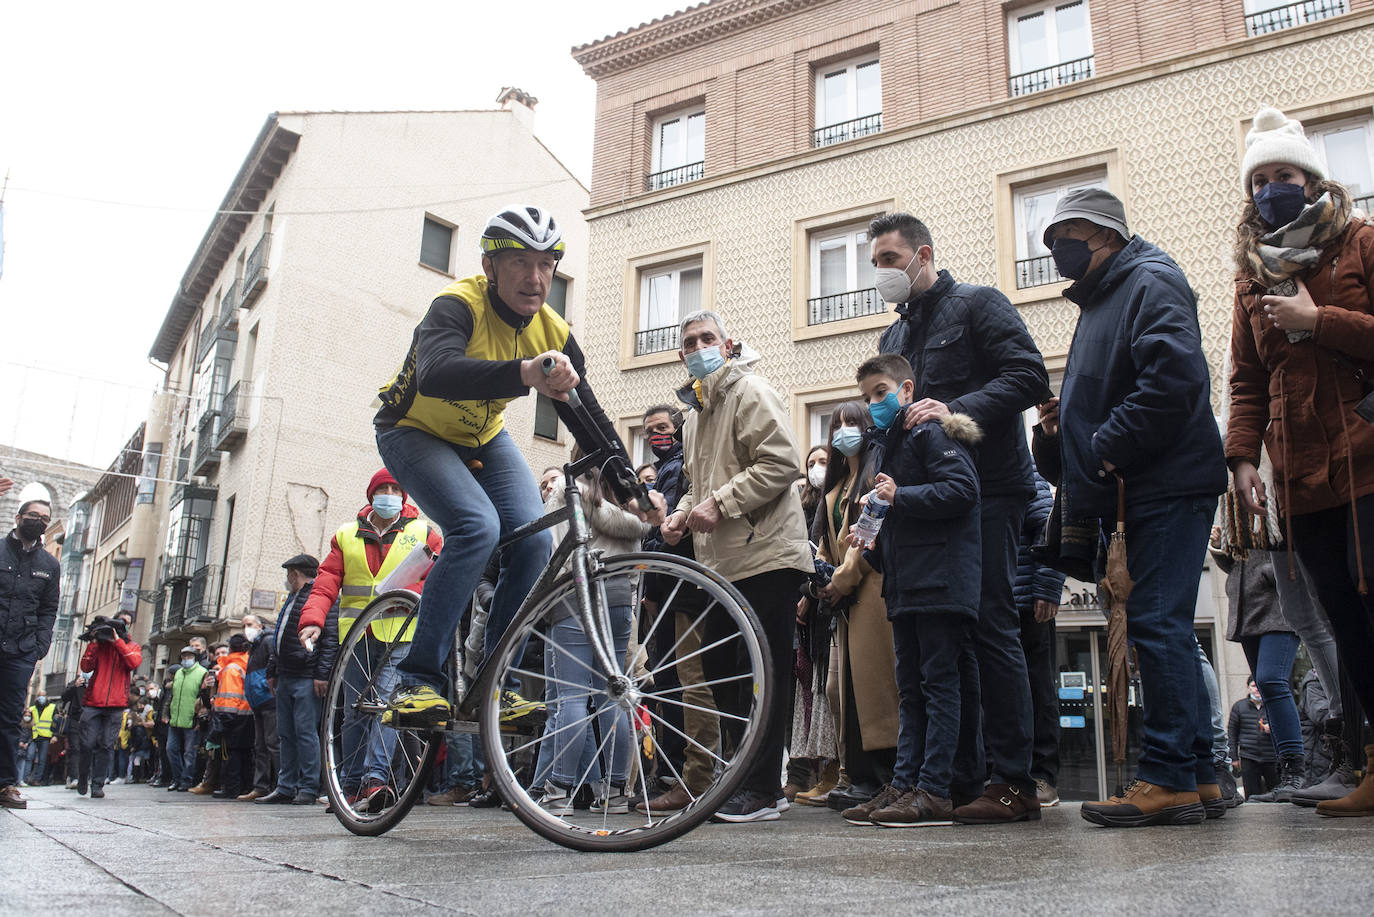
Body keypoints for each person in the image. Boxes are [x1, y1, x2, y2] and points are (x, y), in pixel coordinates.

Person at [365, 205, 663, 729]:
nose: (535, 277)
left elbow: (587, 417)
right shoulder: (456, 305)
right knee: (477, 527)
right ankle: (418, 682)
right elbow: (437, 374)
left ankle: (492, 685)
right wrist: (525, 372)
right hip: (412, 429)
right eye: (520, 262)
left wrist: (632, 490)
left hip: (482, 437)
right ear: (490, 267)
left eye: (547, 264)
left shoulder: (553, 331)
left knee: (532, 542)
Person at [1033, 188, 1228, 827]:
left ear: (1108, 235)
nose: (1057, 251)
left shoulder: (1150, 279)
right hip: (1142, 485)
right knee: (1159, 624)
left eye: (1069, 238)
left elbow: (1173, 380)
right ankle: (1198, 776)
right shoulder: (1108, 295)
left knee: (1157, 625)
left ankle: (1168, 775)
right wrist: (1067, 429)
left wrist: (1105, 443)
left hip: (1163, 484)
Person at [871, 212, 1053, 824]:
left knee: (993, 629)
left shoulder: (979, 304)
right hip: (922, 511)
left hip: (992, 491)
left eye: (890, 260)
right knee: (942, 647)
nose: (882, 274)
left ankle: (1014, 782)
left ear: (923, 254)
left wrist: (955, 409)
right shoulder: (892, 342)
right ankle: (948, 779)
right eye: (875, 265)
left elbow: (1029, 375)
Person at [1226, 106, 1374, 818]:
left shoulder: (1358, 242)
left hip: (1369, 462)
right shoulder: (1251, 278)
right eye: (1258, 180)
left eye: (1282, 175)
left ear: (1311, 179)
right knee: (1344, 620)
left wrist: (1322, 323)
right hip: (1299, 476)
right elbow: (1246, 378)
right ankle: (1370, 762)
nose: (1269, 189)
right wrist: (1242, 459)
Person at [660, 309, 812, 822]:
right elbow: (696, 486)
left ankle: (765, 788)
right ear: (681, 355)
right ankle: (741, 774)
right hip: (721, 563)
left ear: (727, 346)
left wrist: (720, 505)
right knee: (725, 669)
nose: (699, 347)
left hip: (766, 554)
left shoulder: (751, 391)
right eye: (689, 342)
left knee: (763, 671)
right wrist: (681, 514)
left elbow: (782, 462)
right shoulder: (696, 414)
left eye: (708, 338)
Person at [836, 355, 982, 828]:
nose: (873, 404)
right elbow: (897, 521)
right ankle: (903, 784)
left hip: (940, 580)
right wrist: (869, 544)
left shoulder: (928, 432)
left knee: (938, 685)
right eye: (866, 397)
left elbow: (962, 489)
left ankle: (935, 789)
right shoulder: (887, 447)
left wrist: (900, 496)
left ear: (906, 389)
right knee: (911, 689)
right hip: (907, 585)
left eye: (880, 393)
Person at [298, 469, 444, 810]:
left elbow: (437, 578)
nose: (390, 494)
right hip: (357, 637)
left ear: (404, 496)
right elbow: (326, 582)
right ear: (371, 494)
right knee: (354, 713)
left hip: (401, 635)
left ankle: (374, 782)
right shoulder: (346, 535)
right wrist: (312, 620)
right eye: (384, 488)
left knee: (387, 708)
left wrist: (408, 589)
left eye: (396, 488)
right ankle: (348, 788)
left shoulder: (424, 533)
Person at [538, 446, 651, 814]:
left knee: (569, 698)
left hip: (574, 592)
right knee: (613, 695)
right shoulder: (630, 503)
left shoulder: (565, 492)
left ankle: (559, 792)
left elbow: (553, 546)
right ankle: (618, 791)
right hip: (619, 596)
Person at [799, 401, 892, 811]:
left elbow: (868, 536)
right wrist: (820, 579)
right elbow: (827, 539)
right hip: (842, 598)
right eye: (837, 425)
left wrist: (842, 577)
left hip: (871, 589)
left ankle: (880, 778)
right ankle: (855, 773)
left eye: (852, 423)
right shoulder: (835, 488)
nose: (844, 431)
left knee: (874, 688)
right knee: (840, 688)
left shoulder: (873, 478)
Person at [637, 402, 723, 816]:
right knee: (677, 683)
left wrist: (651, 557)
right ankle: (684, 774)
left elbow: (666, 529)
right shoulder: (674, 466)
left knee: (689, 684)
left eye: (664, 427)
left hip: (683, 585)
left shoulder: (680, 468)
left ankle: (694, 778)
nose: (657, 435)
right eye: (649, 429)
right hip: (672, 587)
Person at [1209, 527, 1304, 802]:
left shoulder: (1263, 502)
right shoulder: (1235, 509)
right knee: (1267, 684)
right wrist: (1219, 549)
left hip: (1276, 607)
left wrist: (1265, 571)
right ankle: (1286, 776)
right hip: (1249, 611)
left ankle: (1295, 772)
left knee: (1271, 681)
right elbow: (1238, 566)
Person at [0, 498, 60, 810]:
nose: (38, 521)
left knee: (10, 718)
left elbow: (49, 609)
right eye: (33, 515)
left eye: (44, 518)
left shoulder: (50, 565)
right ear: (19, 517)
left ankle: (6, 784)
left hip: (22, 651)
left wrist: (40, 646)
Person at [261, 555, 334, 805]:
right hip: (286, 675)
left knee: (305, 734)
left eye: (289, 574)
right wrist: (272, 669)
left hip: (306, 676)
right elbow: (279, 636)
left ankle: (308, 787)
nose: (287, 579)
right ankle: (285, 786)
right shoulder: (292, 599)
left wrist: (322, 674)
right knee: (286, 734)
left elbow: (329, 639)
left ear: (295, 573)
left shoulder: (319, 598)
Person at [1015, 472, 1066, 807]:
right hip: (994, 602)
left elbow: (1049, 530)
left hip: (1028, 602)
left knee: (1038, 687)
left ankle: (1042, 774)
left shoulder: (1026, 474)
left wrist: (1047, 587)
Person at [74, 611, 142, 798]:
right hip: (93, 702)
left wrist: (117, 642)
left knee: (106, 745)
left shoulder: (132, 646)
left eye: (126, 623)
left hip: (116, 704)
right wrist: (94, 643)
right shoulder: (100, 646)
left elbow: (133, 662)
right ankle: (82, 776)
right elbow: (86, 667)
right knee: (86, 743)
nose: (123, 625)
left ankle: (97, 784)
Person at [208, 633, 255, 799]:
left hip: (233, 717)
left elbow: (230, 697)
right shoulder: (247, 663)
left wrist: (223, 721)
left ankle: (231, 788)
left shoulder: (231, 668)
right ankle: (245, 786)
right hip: (248, 714)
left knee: (231, 754)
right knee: (245, 754)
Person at [239, 613, 278, 800]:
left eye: (250, 624)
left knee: (273, 743)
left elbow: (273, 664)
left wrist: (265, 687)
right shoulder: (253, 647)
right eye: (244, 625)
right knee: (260, 745)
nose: (247, 628)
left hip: (268, 699)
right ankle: (260, 786)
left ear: (260, 625)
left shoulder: (268, 641)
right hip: (258, 701)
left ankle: (279, 785)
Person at [164, 645, 205, 792]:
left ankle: (186, 780)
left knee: (189, 753)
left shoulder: (202, 673)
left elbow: (203, 697)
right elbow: (172, 695)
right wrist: (167, 713)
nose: (186, 659)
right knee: (171, 749)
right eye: (184, 656)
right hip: (175, 718)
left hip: (191, 719)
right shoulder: (179, 673)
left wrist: (199, 718)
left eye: (189, 656)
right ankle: (177, 778)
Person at [1229, 679, 1277, 798]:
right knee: (1251, 795)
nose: (1256, 689)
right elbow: (1232, 734)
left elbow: (1287, 728)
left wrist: (1274, 729)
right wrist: (1233, 758)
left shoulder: (1273, 706)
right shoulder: (1239, 706)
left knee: (1276, 792)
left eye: (1259, 686)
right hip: (1249, 756)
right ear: (1248, 688)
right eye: (1254, 686)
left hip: (1272, 756)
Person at [23, 692, 57, 786]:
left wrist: (54, 735)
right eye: (39, 696)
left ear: (46, 697)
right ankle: (25, 778)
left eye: (43, 695)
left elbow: (55, 722)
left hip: (46, 736)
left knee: (42, 759)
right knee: (30, 757)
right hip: (34, 736)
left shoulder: (52, 707)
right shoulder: (32, 709)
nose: (41, 697)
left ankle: (37, 780)